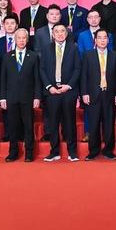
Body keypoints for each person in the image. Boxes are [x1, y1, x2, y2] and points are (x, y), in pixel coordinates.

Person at [39, 23, 81, 162]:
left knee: (70, 122)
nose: (60, 33)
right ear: (53, 34)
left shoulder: (74, 48)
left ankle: (72, 152)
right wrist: (49, 87)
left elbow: (77, 69)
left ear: (66, 33)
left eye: (62, 31)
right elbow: (42, 69)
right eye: (56, 31)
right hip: (51, 92)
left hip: (68, 91)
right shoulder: (46, 48)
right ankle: (54, 152)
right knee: (53, 123)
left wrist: (68, 86)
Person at [79, 28, 116, 160]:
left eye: (105, 38)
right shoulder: (88, 55)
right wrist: (84, 93)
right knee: (93, 124)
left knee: (109, 124)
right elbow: (83, 76)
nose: (102, 40)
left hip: (109, 94)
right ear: (95, 40)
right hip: (92, 95)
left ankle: (108, 150)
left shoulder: (115, 55)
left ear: (108, 40)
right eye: (100, 38)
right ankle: (93, 150)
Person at [0, 29, 39, 162]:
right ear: (15, 40)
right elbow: (3, 78)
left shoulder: (33, 56)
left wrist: (37, 97)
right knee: (12, 126)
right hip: (11, 97)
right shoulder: (7, 56)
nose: (21, 41)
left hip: (28, 97)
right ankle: (13, 152)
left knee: (28, 126)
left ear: (27, 40)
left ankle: (29, 153)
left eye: (24, 38)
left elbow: (37, 79)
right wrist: (2, 97)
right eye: (19, 38)